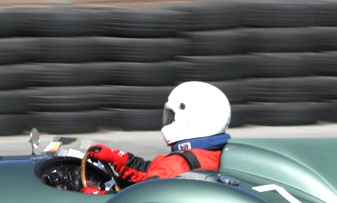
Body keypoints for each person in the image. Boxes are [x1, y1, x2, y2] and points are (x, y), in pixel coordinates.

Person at [83, 81, 231, 192]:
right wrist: (117, 158)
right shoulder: (218, 155)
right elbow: (152, 172)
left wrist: (98, 196)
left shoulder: (176, 164)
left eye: (171, 115)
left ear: (189, 118)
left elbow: (139, 201)